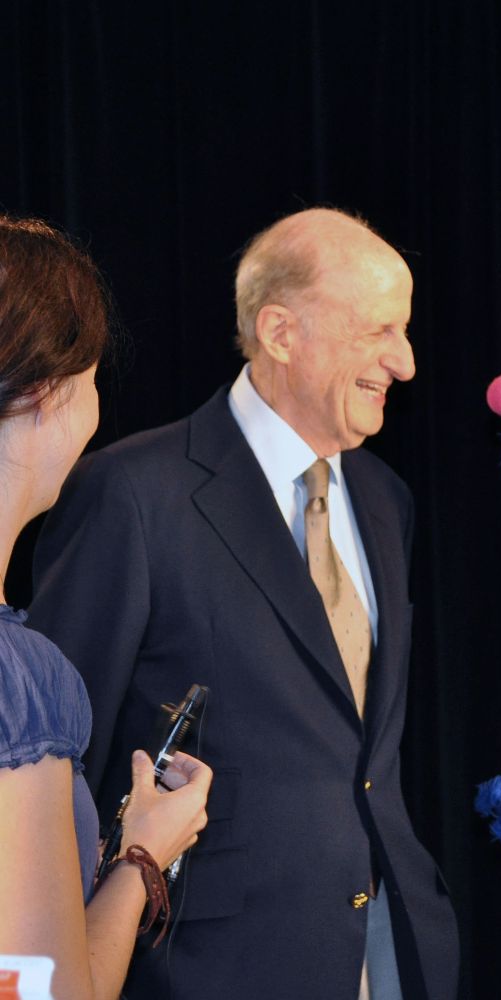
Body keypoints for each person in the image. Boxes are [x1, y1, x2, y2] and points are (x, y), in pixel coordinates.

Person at [28, 207, 458, 1000]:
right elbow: (58, 764)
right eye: (379, 330)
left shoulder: (384, 498)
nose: (404, 362)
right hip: (211, 966)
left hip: (390, 948)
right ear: (280, 332)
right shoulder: (133, 494)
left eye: (403, 331)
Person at [0, 215, 212, 1000]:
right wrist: (140, 860)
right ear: (45, 392)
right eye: (93, 379)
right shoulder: (21, 683)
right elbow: (51, 992)